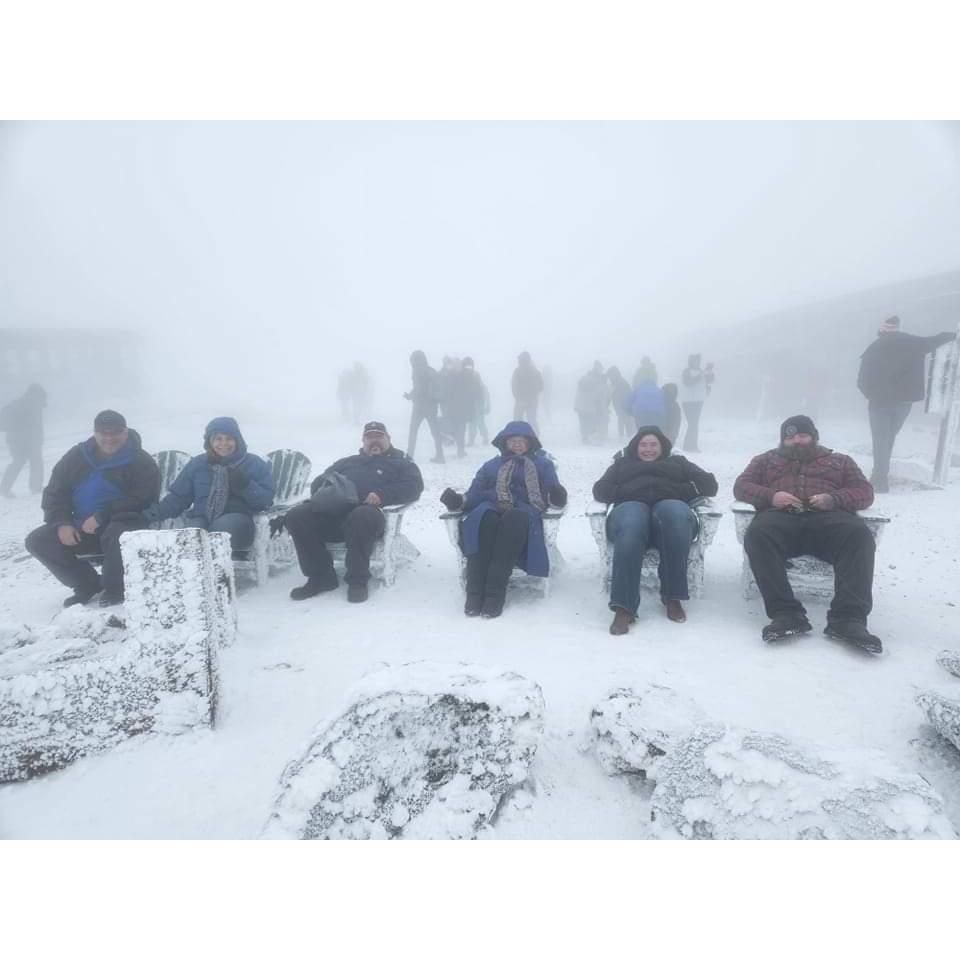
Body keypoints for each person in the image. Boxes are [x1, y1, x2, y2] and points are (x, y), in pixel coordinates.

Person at [733, 415, 881, 653]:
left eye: (802, 435)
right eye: (790, 437)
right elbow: (741, 486)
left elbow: (864, 492)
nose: (796, 441)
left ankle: (848, 619)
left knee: (858, 536)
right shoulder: (765, 460)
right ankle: (786, 614)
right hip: (781, 518)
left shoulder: (840, 461)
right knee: (757, 534)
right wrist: (772, 496)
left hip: (829, 519)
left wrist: (833, 499)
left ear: (814, 437)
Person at [24, 410, 160, 608]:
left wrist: (102, 516)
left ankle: (116, 588)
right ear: (95, 433)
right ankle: (87, 584)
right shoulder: (76, 457)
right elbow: (55, 492)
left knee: (117, 533)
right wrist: (62, 523)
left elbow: (142, 499)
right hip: (82, 527)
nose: (109, 438)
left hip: (124, 523)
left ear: (125, 432)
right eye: (104, 433)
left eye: (116, 432)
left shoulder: (141, 461)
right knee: (38, 540)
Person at [592, 425, 717, 635]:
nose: (648, 449)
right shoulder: (622, 464)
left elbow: (709, 485)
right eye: (643, 445)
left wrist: (677, 491)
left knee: (674, 513)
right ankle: (624, 607)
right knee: (632, 521)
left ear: (662, 446)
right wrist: (629, 491)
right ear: (635, 446)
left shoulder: (678, 463)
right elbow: (600, 489)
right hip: (630, 511)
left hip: (669, 516)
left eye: (653, 444)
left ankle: (673, 597)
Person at [282, 421, 424, 603]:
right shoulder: (348, 462)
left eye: (379, 437)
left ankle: (357, 581)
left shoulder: (400, 462)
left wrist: (382, 495)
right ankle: (321, 577)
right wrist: (328, 489)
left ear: (388, 439)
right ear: (363, 441)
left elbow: (414, 486)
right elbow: (320, 481)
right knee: (297, 515)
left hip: (370, 517)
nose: (374, 441)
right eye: (369, 437)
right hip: (333, 516)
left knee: (361, 515)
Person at [440, 421, 567, 619]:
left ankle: (494, 595)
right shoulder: (491, 466)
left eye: (521, 441)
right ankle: (474, 594)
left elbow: (552, 492)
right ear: (504, 443)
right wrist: (458, 501)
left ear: (530, 443)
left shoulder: (543, 465)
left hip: (524, 512)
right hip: (491, 506)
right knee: (484, 520)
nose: (517, 444)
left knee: (512, 521)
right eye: (512, 440)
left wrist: (558, 496)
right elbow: (475, 493)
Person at [142, 417, 274, 551]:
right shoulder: (198, 464)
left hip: (238, 521)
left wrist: (246, 485)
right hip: (202, 517)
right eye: (218, 438)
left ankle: (219, 563)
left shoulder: (253, 464)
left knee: (218, 533)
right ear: (210, 441)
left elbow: (265, 501)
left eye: (229, 438)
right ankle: (192, 564)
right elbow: (179, 498)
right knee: (191, 536)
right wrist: (149, 515)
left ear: (237, 440)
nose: (224, 443)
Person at [857, 315, 957, 492]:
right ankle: (879, 476)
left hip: (879, 402)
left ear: (882, 330)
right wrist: (952, 335)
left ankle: (880, 478)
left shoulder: (874, 348)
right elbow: (933, 341)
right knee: (888, 438)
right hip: (903, 402)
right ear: (898, 328)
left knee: (881, 440)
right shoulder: (912, 342)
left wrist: (870, 394)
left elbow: (862, 379)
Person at [0, 383, 46, 498]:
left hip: (23, 440)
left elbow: (36, 425)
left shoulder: (25, 403)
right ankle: (34, 487)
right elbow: (32, 425)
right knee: (27, 462)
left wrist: (38, 438)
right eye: (41, 397)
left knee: (26, 462)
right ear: (35, 394)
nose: (42, 400)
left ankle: (7, 488)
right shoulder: (27, 405)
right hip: (23, 441)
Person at [404, 350, 444, 463]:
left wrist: (410, 396)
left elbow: (418, 388)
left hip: (419, 406)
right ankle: (440, 455)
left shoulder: (417, 370)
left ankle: (409, 455)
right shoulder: (431, 371)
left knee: (413, 431)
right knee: (435, 432)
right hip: (431, 406)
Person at [441, 357, 476, 458]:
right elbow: (450, 392)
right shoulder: (458, 376)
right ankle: (460, 449)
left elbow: (471, 393)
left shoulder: (465, 377)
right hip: (456, 408)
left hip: (461, 409)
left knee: (460, 429)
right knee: (459, 429)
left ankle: (460, 449)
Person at [678, 353, 711, 452]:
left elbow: (709, 381)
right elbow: (688, 382)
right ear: (691, 361)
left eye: (698, 361)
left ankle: (692, 445)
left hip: (698, 400)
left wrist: (709, 372)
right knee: (692, 423)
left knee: (694, 423)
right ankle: (689, 446)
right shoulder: (686, 371)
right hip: (688, 401)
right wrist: (701, 375)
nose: (697, 362)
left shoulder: (701, 371)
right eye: (695, 361)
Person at [574, 362, 610, 444]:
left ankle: (585, 438)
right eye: (601, 369)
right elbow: (601, 396)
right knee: (590, 422)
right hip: (588, 406)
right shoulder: (597, 381)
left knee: (584, 422)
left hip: (580, 405)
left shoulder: (585, 378)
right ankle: (589, 439)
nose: (601, 371)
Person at [511, 352, 544, 431]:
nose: (519, 362)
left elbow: (514, 386)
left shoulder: (518, 371)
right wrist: (533, 395)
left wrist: (518, 397)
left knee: (519, 420)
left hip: (523, 400)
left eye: (520, 360)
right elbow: (541, 387)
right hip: (529, 400)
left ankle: (522, 434)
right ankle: (533, 434)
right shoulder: (535, 371)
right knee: (531, 420)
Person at [463, 357, 490, 447]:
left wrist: (487, 404)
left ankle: (484, 436)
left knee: (480, 421)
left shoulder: (476, 375)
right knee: (472, 422)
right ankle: (472, 439)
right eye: (466, 366)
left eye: (470, 366)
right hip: (469, 403)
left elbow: (483, 389)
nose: (468, 368)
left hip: (478, 402)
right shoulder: (462, 376)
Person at [606, 366, 633, 438]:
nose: (610, 378)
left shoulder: (620, 382)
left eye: (610, 376)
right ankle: (625, 436)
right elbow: (611, 394)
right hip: (620, 405)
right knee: (622, 419)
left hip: (623, 405)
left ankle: (627, 436)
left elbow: (627, 394)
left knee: (624, 419)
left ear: (614, 374)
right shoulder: (616, 382)